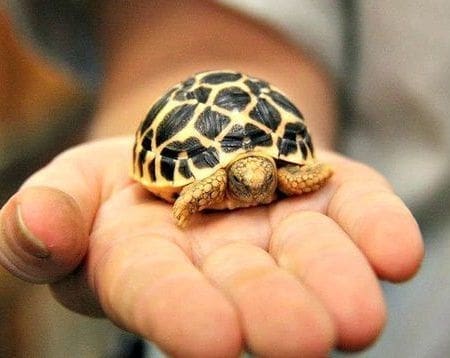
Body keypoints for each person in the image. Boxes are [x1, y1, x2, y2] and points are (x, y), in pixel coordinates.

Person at [0, 1, 435, 356]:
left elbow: (302, 172)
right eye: (249, 182)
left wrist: (313, 173)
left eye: (266, 178)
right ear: (233, 181)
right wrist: (186, 204)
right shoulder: (213, 182)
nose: (261, 185)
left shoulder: (273, 173)